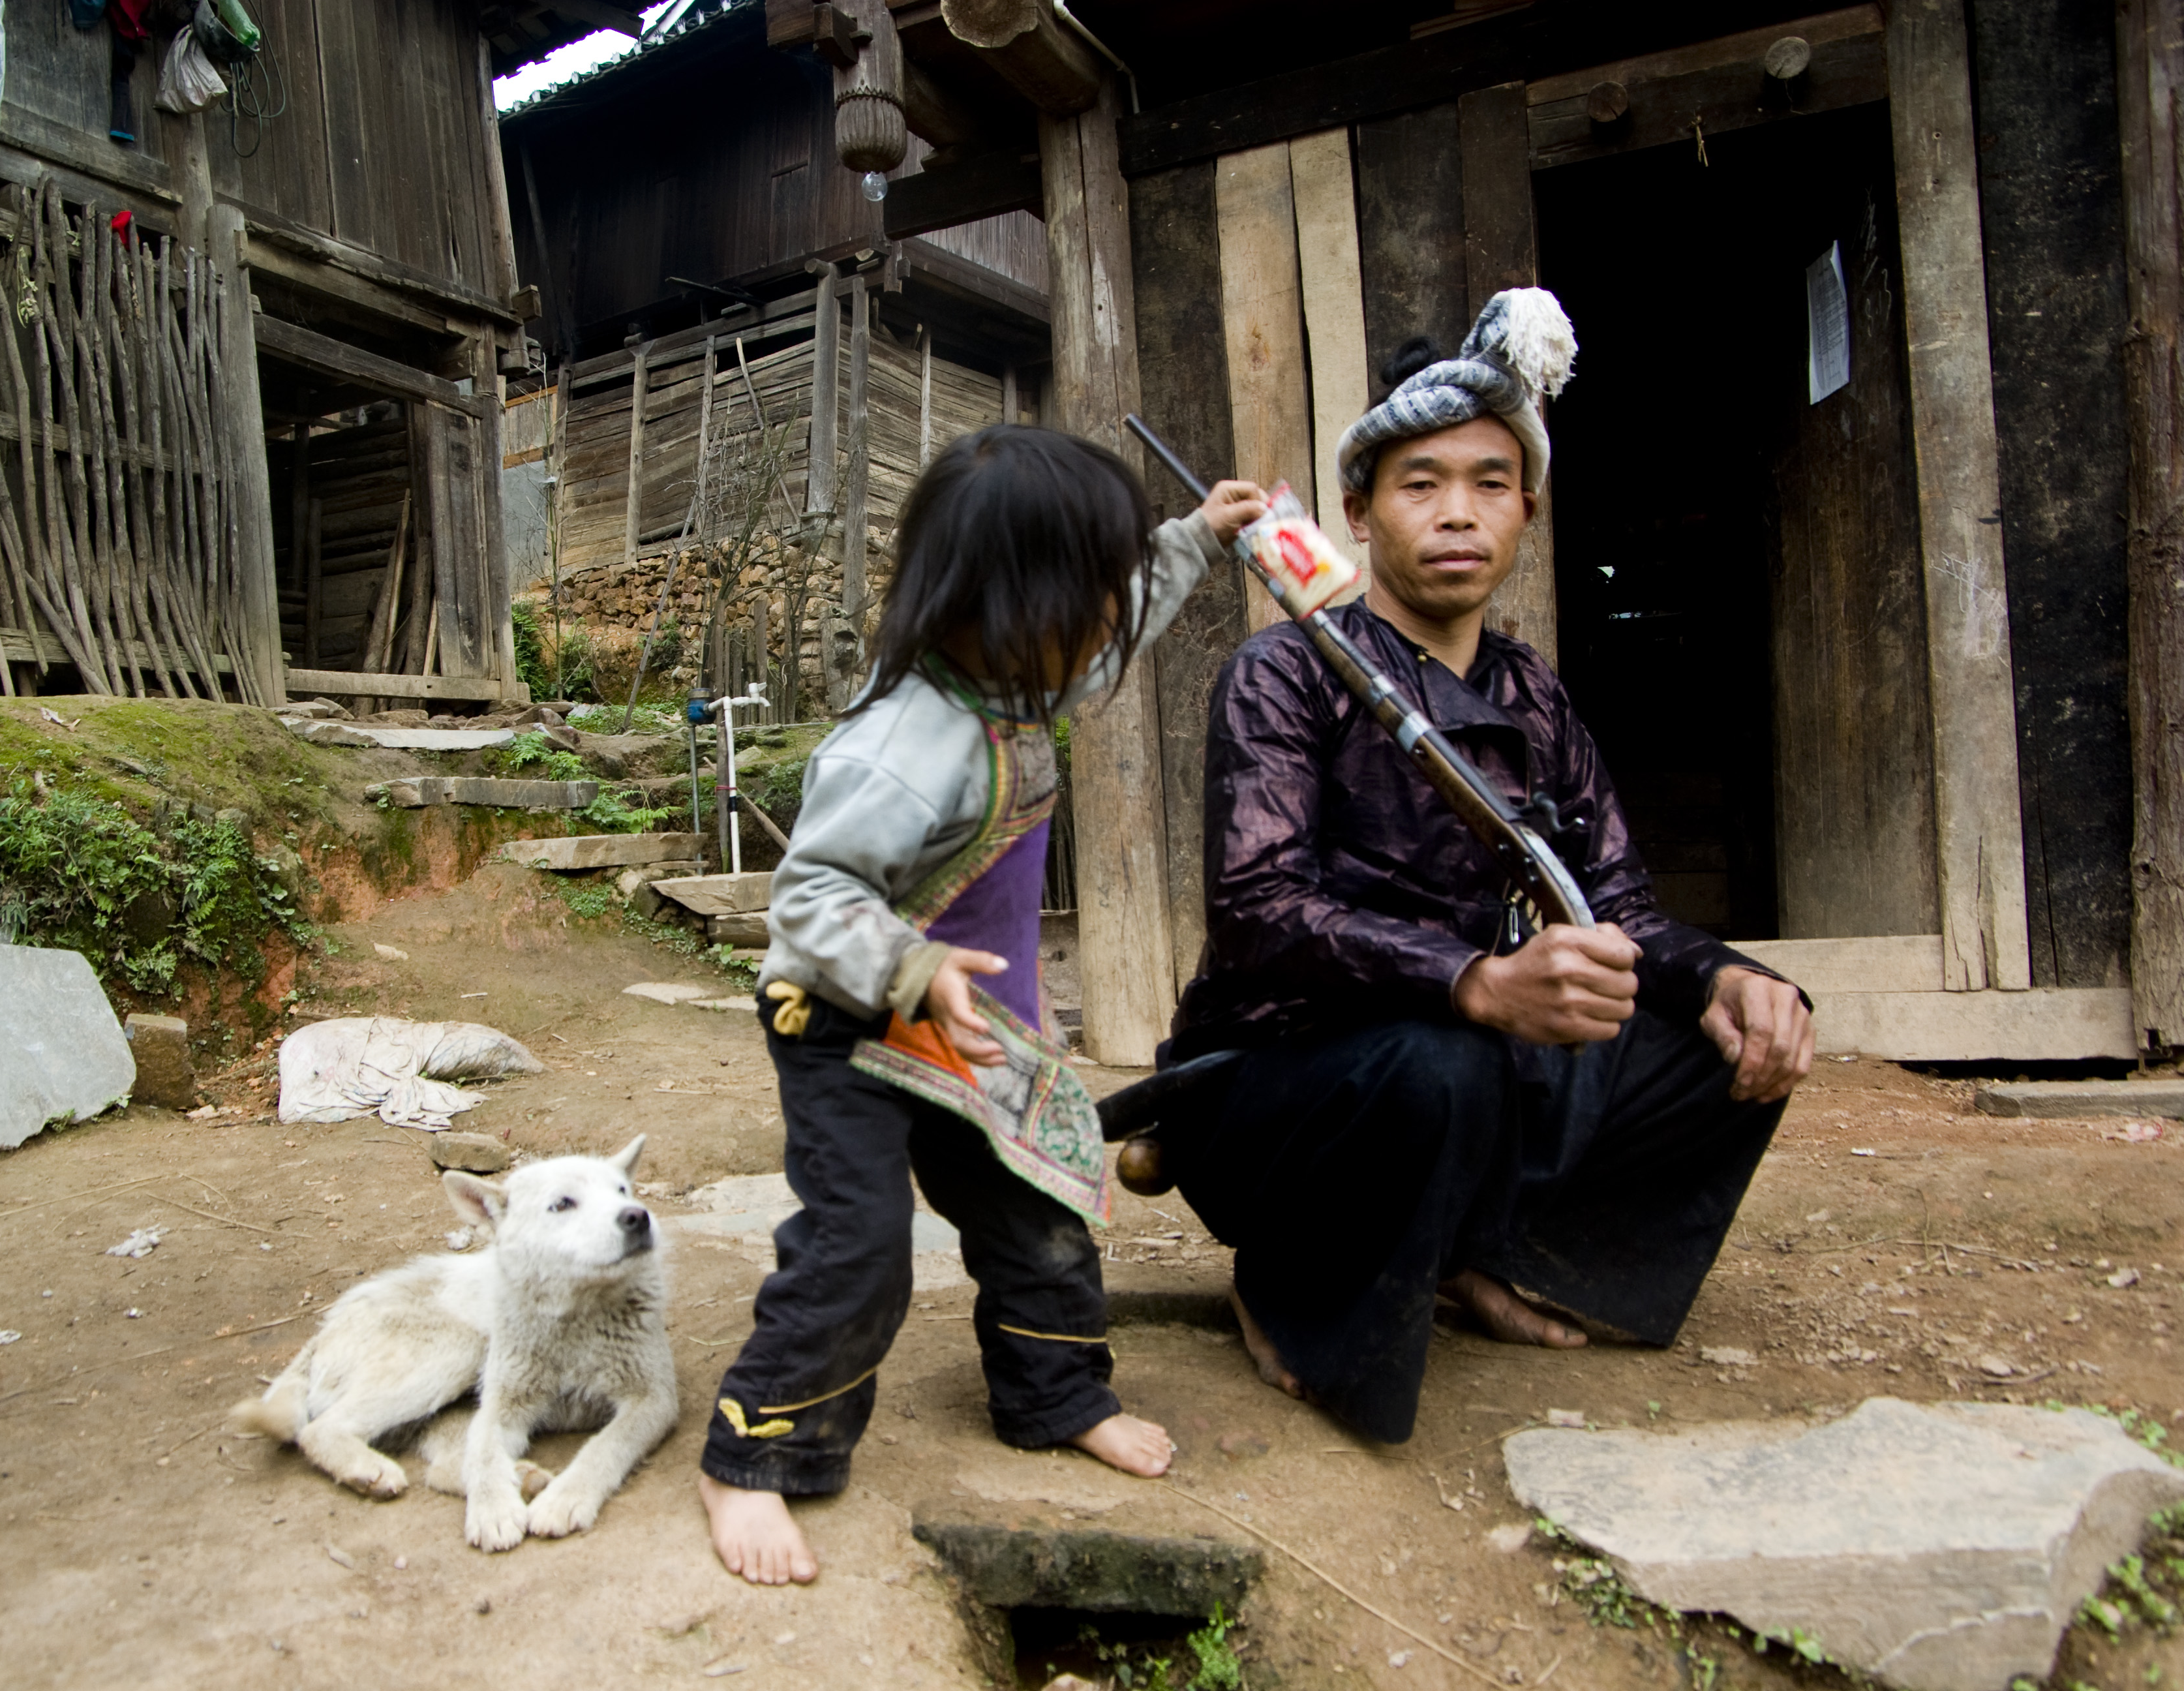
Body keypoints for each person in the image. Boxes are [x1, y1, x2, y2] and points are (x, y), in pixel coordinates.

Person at [1165, 288, 1813, 1444]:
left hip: (1471, 1059)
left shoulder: (1535, 696)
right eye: (1421, 486)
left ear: (1528, 510)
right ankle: (1291, 1288)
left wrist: (1719, 975)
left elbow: (1617, 906)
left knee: (1734, 1034)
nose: (1457, 514)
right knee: (1444, 1061)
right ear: (1360, 515)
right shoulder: (1283, 673)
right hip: (1282, 1084)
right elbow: (1261, 912)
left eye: (1490, 484)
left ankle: (1490, 1256)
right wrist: (1473, 979)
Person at [698, 424, 1267, 1583]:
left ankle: (1055, 1394)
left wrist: (1197, 539)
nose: (1116, 621)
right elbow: (808, 898)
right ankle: (755, 1453)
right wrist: (914, 970)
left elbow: (1123, 632)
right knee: (860, 1248)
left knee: (1038, 1208)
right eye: (1099, 597)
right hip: (846, 1021)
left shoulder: (1029, 667)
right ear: (1021, 607)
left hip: (967, 1024)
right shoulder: (908, 742)